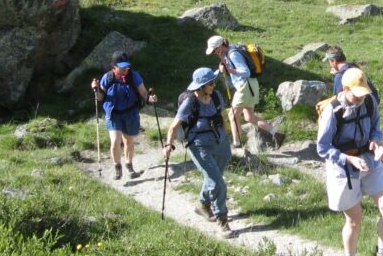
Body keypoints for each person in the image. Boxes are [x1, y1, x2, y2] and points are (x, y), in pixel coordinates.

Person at [316, 67, 383, 256]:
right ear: (345, 89)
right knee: (355, 219)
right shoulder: (332, 111)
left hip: (369, 160)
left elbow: (376, 129)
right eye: (357, 94)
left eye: (364, 92)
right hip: (343, 167)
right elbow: (323, 148)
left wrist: (375, 141)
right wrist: (349, 159)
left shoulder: (370, 101)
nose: (362, 98)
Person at [164, 67, 235, 238]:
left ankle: (202, 204)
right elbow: (174, 126)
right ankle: (222, 221)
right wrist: (168, 145)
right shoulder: (190, 102)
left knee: (214, 177)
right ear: (201, 86)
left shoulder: (216, 96)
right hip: (199, 146)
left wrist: (227, 139)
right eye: (210, 83)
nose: (213, 85)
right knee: (218, 183)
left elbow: (220, 118)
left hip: (221, 143)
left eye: (213, 81)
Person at [206, 35, 284, 147]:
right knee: (249, 117)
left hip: (245, 86)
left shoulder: (233, 54)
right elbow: (232, 65)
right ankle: (276, 134)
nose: (214, 52)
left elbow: (245, 71)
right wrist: (223, 60)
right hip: (250, 85)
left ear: (219, 46)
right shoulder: (230, 51)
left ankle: (237, 144)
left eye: (214, 50)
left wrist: (228, 70)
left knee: (232, 115)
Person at [92, 51, 157, 180]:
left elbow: (143, 93)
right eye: (122, 66)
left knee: (129, 141)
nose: (125, 69)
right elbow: (100, 98)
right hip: (113, 113)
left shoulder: (134, 76)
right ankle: (117, 167)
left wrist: (150, 98)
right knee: (115, 141)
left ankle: (129, 164)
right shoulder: (108, 77)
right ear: (114, 66)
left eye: (127, 66)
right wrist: (96, 89)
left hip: (130, 112)